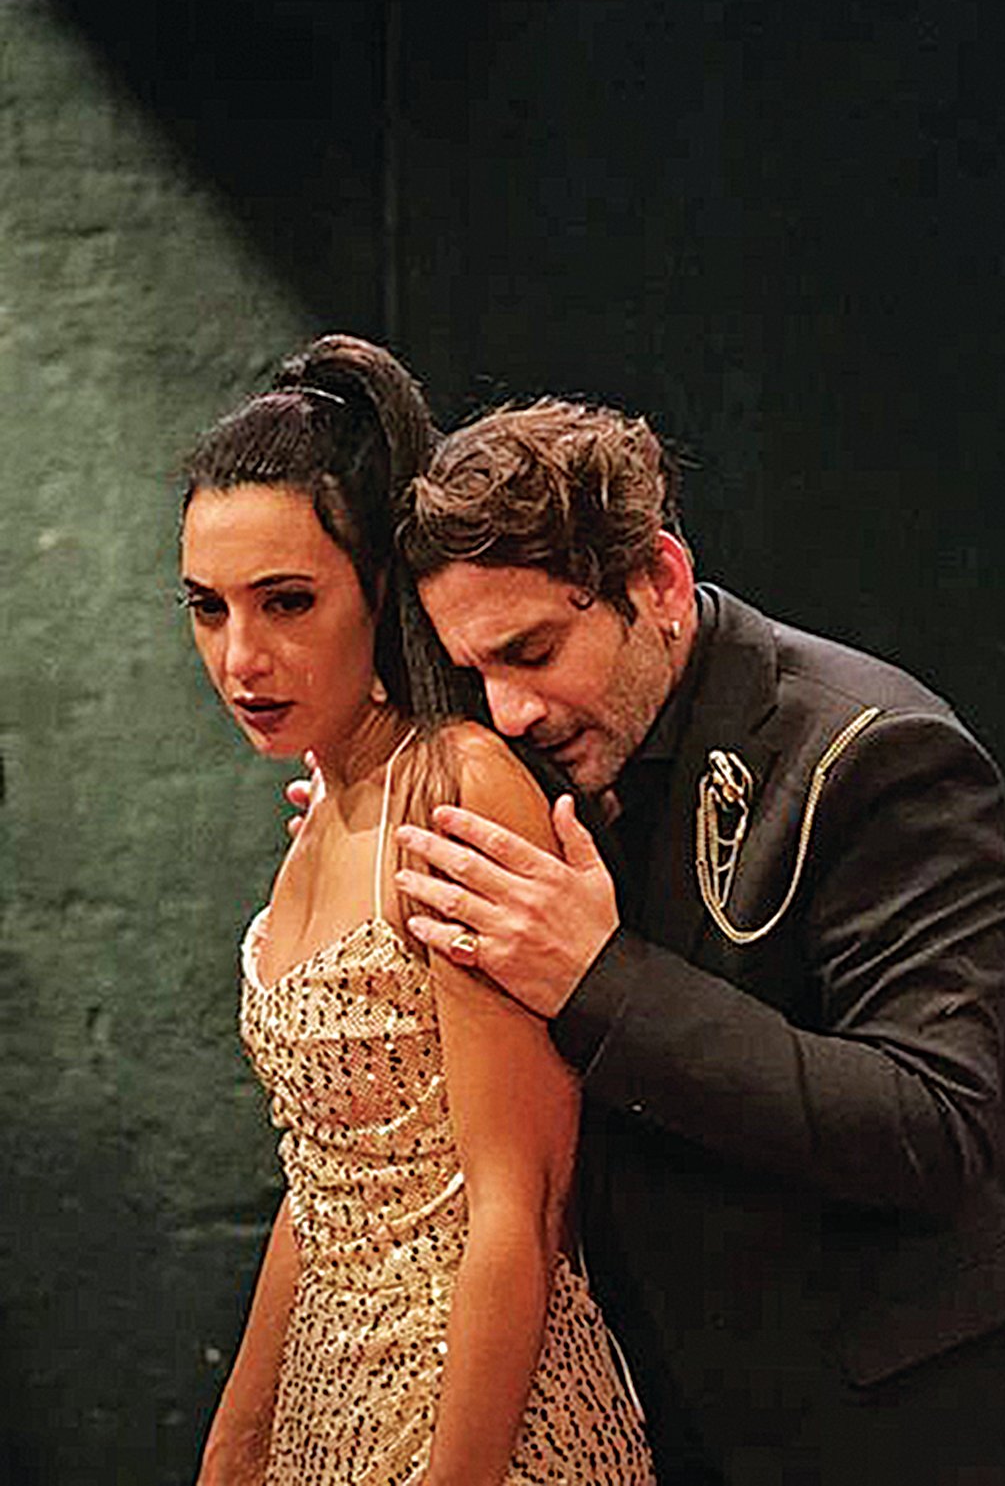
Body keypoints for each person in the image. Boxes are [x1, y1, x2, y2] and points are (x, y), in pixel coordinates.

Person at [391, 399, 1005, 1484]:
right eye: (474, 672)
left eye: (532, 651)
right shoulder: (544, 759)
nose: (509, 710)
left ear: (660, 582)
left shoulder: (880, 751)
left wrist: (601, 979)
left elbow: (931, 1123)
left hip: (929, 1437)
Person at [180, 339, 653, 1486]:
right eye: (207, 607)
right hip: (329, 1408)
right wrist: (235, 1446)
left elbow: (517, 1208)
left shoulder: (457, 785)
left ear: (380, 590)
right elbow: (321, 1185)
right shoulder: (321, 815)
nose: (241, 656)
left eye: (288, 601)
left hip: (489, 1420)